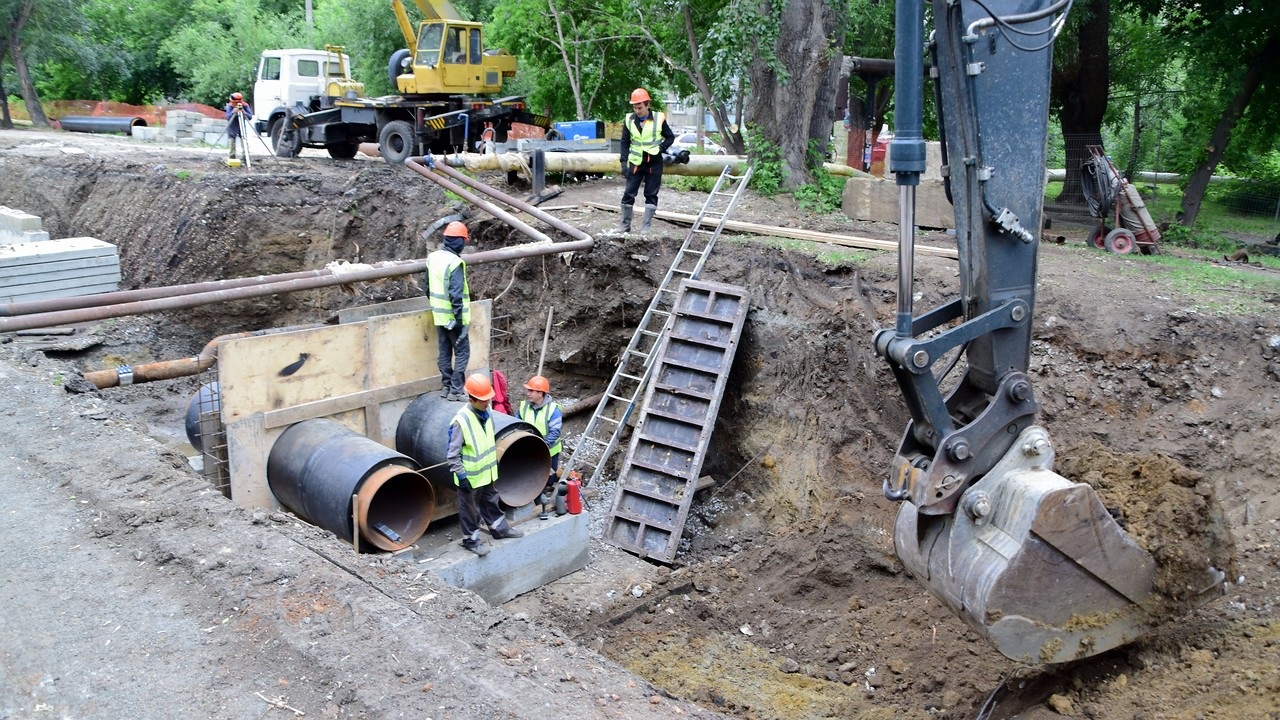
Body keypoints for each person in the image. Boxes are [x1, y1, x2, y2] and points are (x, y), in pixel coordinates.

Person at [447, 373, 525, 556]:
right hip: (470, 477)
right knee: (470, 510)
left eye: (488, 399)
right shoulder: (461, 421)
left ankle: (500, 529)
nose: (487, 403)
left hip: (488, 473)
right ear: (471, 399)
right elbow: (452, 454)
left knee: (491, 501)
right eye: (482, 400)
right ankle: (471, 540)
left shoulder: (487, 413)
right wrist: (461, 475)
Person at [618, 88, 675, 234]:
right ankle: (625, 225)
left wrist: (661, 149)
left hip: (654, 162)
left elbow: (670, 137)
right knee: (628, 194)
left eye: (640, 107)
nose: (637, 111)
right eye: (635, 108)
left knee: (651, 194)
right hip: (636, 162)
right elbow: (625, 142)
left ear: (647, 105)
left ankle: (646, 227)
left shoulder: (658, 118)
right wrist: (623, 162)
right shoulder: (629, 120)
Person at [427, 221, 472, 401]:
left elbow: (426, 287)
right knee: (462, 352)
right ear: (460, 242)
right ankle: (456, 390)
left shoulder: (433, 258)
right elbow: (456, 294)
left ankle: (446, 386)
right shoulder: (455, 262)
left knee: (445, 352)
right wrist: (459, 319)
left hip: (439, 316)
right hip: (454, 318)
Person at [517, 375, 562, 518]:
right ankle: (537, 497)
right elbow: (517, 425)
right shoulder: (524, 407)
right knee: (530, 474)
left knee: (548, 478)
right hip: (529, 451)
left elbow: (555, 432)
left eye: (531, 390)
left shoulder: (553, 410)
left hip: (549, 451)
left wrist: (542, 446)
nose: (528, 393)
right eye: (528, 390)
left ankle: (541, 493)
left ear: (541, 393)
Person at [225, 92, 253, 162]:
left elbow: (250, 117)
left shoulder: (245, 105)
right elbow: (227, 117)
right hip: (232, 125)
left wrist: (244, 113)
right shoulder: (230, 106)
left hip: (241, 126)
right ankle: (232, 156)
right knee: (231, 140)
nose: (234, 104)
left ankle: (245, 156)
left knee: (243, 140)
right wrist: (232, 112)